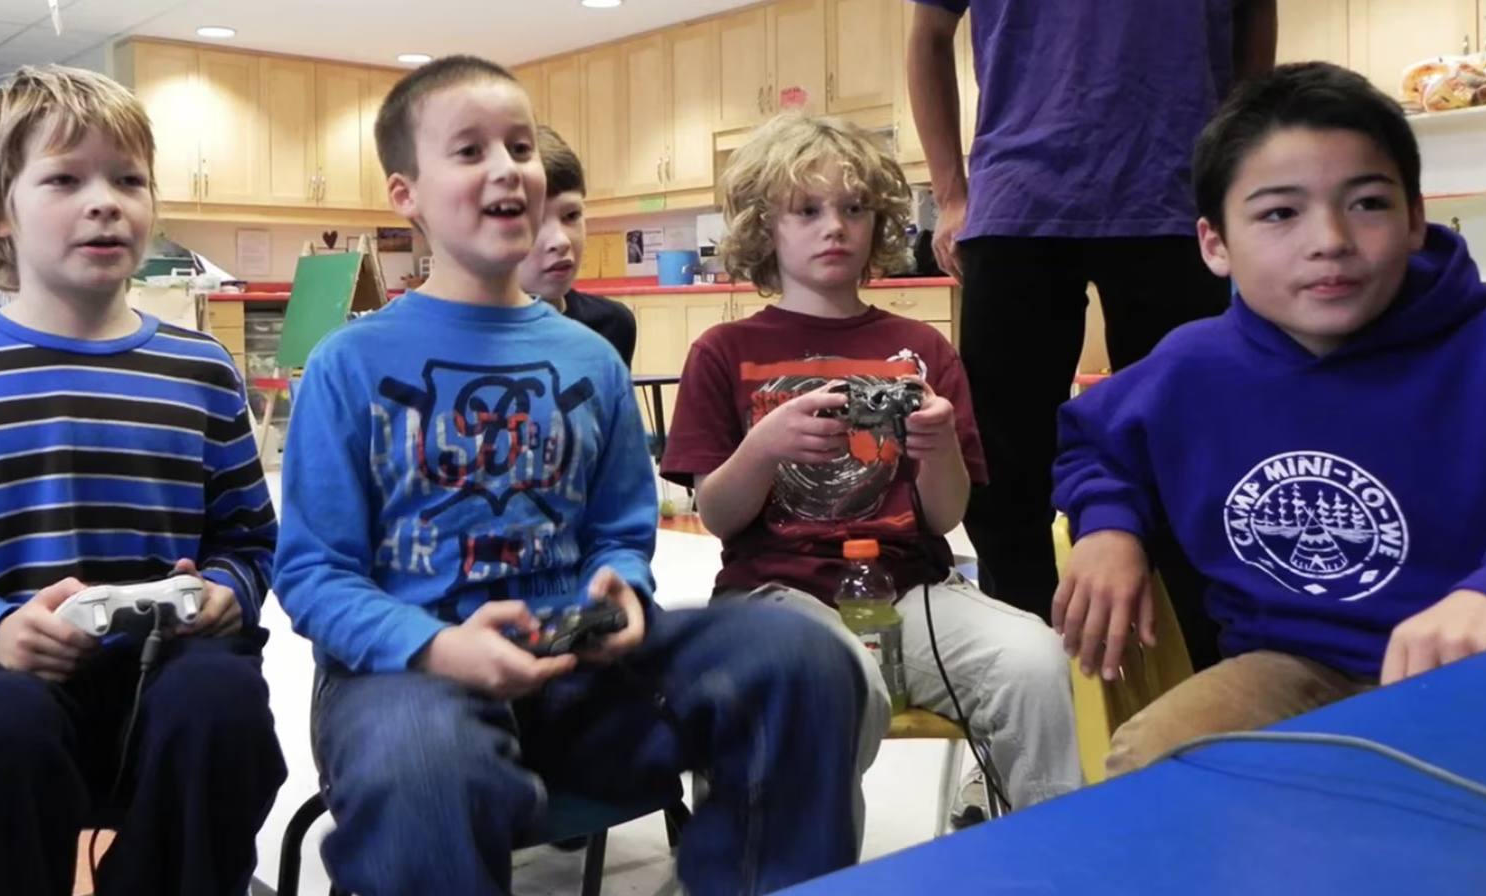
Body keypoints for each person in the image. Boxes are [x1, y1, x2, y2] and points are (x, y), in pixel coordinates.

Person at [273, 56, 865, 896]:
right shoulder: (347, 365)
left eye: (519, 147)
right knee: (426, 763)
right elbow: (314, 576)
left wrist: (622, 585)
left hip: (576, 673)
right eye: (469, 150)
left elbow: (620, 533)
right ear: (406, 194)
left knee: (800, 655)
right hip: (409, 679)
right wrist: (438, 645)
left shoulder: (590, 359)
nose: (506, 168)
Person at [0, 65, 284, 896]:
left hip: (171, 676)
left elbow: (250, 541)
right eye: (65, 179)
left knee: (224, 705)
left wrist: (225, 591)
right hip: (2, 684)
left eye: (128, 179)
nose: (105, 202)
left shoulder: (201, 370)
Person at [1052, 62, 1486, 775]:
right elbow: (1095, 444)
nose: (1330, 240)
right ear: (1215, 244)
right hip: (1292, 668)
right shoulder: (1191, 366)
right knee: (1160, 761)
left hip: (1470, 669)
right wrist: (1107, 526)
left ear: (1415, 218)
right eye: (1280, 213)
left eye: (1368, 203)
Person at [662, 112, 1081, 828]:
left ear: (880, 221)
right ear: (766, 225)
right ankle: (809, 869)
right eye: (808, 210)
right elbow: (721, 518)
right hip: (775, 594)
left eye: (855, 208)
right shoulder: (723, 350)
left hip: (910, 588)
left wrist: (937, 445)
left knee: (1035, 660)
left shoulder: (923, 347)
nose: (835, 227)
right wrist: (764, 446)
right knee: (836, 682)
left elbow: (944, 516)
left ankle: (1045, 857)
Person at [904, 0, 1279, 668]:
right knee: (1004, 476)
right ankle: (1029, 677)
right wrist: (951, 194)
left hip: (1174, 195)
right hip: (1017, 203)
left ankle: (1198, 675)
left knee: (1192, 459)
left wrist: (1236, 169)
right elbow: (929, 35)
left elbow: (1254, 15)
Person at [518, 124, 636, 367]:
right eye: (534, 222)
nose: (561, 241)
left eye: (571, 216)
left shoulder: (613, 325)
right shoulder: (452, 341)